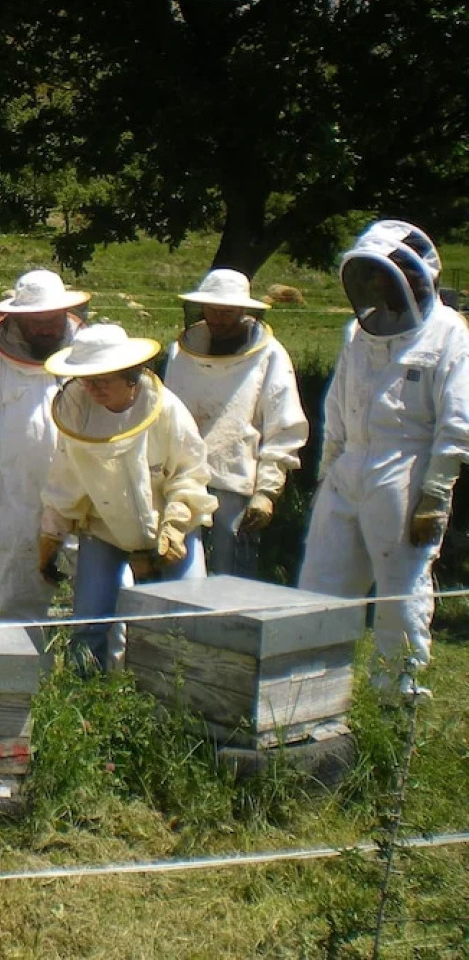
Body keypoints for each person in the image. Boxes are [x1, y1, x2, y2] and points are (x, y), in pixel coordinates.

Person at [299, 220, 469, 693]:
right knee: (319, 584)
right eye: (372, 276)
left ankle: (398, 699)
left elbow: (457, 422)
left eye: (389, 275)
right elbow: (337, 406)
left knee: (401, 591)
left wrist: (436, 492)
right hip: (348, 466)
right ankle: (311, 693)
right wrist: (327, 472)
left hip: (405, 472)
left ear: (419, 278)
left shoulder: (449, 334)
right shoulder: (358, 330)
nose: (378, 285)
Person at [38, 323, 217, 671]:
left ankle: (182, 702)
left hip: (169, 525)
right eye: (87, 380)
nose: (92, 389)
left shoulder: (168, 411)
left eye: (103, 380)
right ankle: (84, 699)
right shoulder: (76, 411)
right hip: (105, 529)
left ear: (129, 376)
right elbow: (64, 482)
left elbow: (190, 474)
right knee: (88, 624)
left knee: (188, 622)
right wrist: (50, 538)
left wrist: (176, 525)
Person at [0, 269, 87, 624]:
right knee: (15, 605)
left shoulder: (87, 354)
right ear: (16, 319)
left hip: (84, 500)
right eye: (36, 321)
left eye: (52, 320)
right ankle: (21, 676)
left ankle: (86, 676)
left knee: (88, 604)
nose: (46, 329)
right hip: (18, 502)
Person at [163, 269, 308, 578]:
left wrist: (267, 491)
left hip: (236, 482)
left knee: (231, 578)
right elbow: (166, 417)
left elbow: (284, 425)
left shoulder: (270, 355)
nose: (218, 318)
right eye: (212, 309)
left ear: (243, 310)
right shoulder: (180, 352)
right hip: (183, 480)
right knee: (181, 572)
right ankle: (181, 627)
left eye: (227, 311)